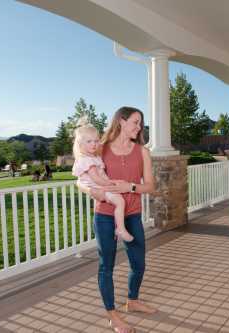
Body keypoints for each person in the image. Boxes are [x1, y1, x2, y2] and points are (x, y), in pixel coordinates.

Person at [78, 107, 156, 333]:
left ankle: (132, 300)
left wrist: (129, 187)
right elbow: (80, 179)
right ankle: (113, 316)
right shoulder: (99, 148)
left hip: (131, 214)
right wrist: (93, 192)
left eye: (140, 123)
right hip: (104, 215)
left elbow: (150, 186)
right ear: (121, 121)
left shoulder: (142, 152)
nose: (139, 127)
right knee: (107, 266)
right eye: (135, 122)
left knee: (139, 263)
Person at [72, 118, 134, 242]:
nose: (94, 144)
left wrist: (118, 183)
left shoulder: (93, 156)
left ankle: (119, 228)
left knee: (120, 201)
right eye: (89, 141)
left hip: (104, 189)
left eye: (96, 141)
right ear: (80, 144)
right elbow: (95, 179)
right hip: (100, 190)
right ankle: (120, 228)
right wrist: (113, 183)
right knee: (120, 202)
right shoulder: (89, 159)